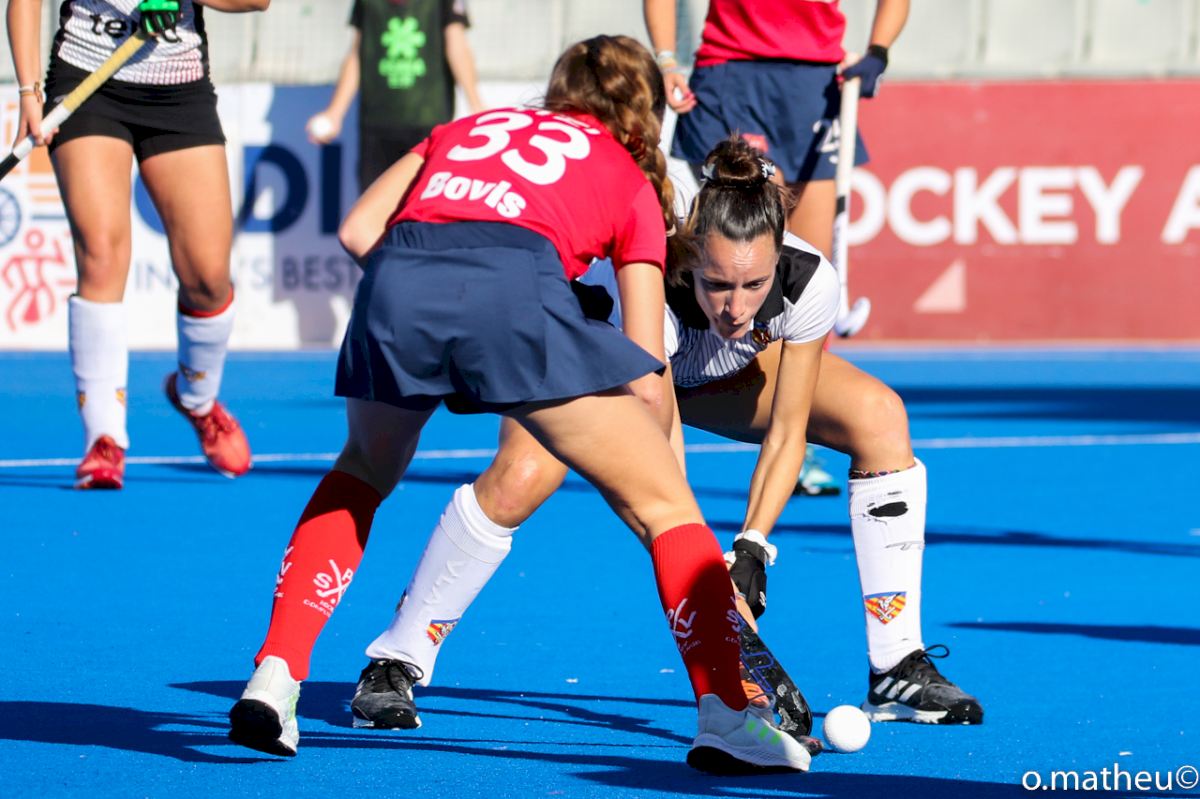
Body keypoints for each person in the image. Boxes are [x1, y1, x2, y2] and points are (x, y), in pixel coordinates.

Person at [227, 35, 813, 774]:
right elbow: (645, 365)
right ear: (644, 115)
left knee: (364, 469)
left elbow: (357, 231)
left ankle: (275, 673)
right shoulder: (628, 176)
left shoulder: (470, 127)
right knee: (669, 508)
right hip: (514, 302)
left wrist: (441, 311)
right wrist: (657, 491)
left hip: (397, 284)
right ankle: (726, 714)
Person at [348, 137, 983, 734]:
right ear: (692, 258)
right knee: (522, 475)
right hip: (597, 369)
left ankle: (896, 665)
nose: (736, 307)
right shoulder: (655, 281)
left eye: (754, 285)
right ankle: (395, 660)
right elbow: (660, 466)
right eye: (718, 284)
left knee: (880, 416)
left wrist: (752, 549)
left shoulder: (810, 280)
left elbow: (788, 431)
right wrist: (707, 579)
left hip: (716, 378)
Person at [645, 0, 910, 497]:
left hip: (817, 82)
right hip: (732, 73)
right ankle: (676, 393)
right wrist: (665, 59)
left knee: (804, 270)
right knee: (733, 251)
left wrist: (878, 51)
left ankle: (792, 437)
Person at [6, 0, 264, 489]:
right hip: (87, 81)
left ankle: (197, 398)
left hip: (178, 89)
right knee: (101, 255)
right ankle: (103, 439)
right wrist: (28, 91)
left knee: (208, 278)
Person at [305, 0, 485, 192]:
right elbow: (357, 53)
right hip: (377, 124)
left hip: (429, 125)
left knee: (422, 199)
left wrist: (475, 105)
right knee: (375, 201)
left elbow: (457, 46)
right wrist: (335, 112)